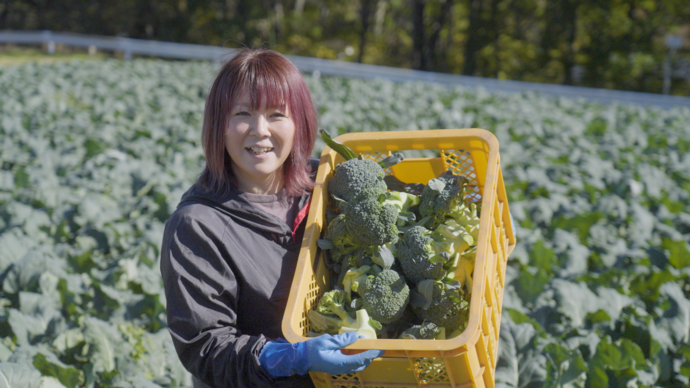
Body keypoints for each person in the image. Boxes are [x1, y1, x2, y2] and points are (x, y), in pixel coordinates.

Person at [159, 48, 384, 388]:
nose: (259, 130)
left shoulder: (328, 186)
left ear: (299, 123)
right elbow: (203, 346)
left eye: (277, 114)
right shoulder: (196, 225)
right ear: (219, 125)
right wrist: (287, 357)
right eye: (243, 113)